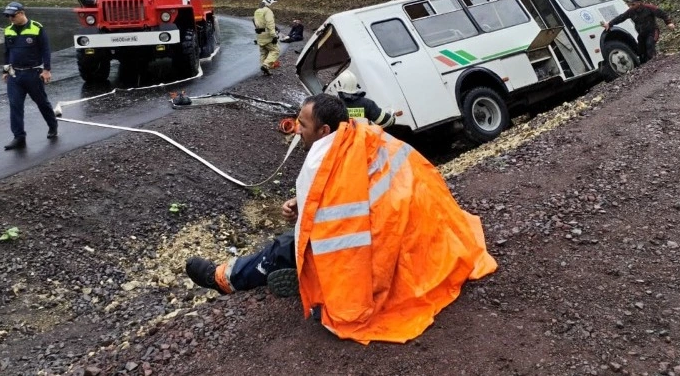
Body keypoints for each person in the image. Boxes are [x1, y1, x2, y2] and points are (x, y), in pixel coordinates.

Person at [186, 93, 497, 344]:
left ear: (324, 131)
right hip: (428, 228)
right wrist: (305, 202)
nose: (297, 129)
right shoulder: (363, 136)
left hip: (388, 240)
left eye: (303, 125)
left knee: (288, 245)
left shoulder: (325, 162)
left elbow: (334, 230)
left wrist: (306, 217)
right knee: (294, 243)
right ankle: (282, 271)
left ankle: (226, 278)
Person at [1, 2, 59, 150]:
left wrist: (47, 70)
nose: (10, 18)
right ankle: (19, 137)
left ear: (21, 13)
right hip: (15, 75)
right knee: (15, 105)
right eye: (8, 16)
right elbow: (7, 52)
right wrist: (5, 70)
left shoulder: (36, 28)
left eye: (12, 15)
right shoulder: (8, 30)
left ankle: (53, 126)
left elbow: (45, 49)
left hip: (33, 73)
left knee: (42, 103)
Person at [602, 0, 675, 64]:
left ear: (639, 3)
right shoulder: (630, 11)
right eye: (629, 4)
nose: (630, 6)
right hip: (642, 33)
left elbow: (662, 13)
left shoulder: (649, 8)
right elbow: (621, 18)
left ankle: (655, 62)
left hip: (653, 31)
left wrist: (668, 23)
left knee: (650, 44)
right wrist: (609, 24)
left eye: (633, 4)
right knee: (641, 50)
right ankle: (645, 65)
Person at [329, 69, 399, 128]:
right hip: (363, 142)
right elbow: (386, 122)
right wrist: (391, 116)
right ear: (356, 85)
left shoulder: (332, 106)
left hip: (342, 143)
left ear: (338, 85)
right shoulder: (367, 104)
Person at [253, 0, 280, 75]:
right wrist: (274, 35)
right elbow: (270, 24)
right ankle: (266, 65)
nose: (273, 4)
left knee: (263, 52)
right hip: (267, 34)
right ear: (270, 1)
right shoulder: (268, 11)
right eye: (273, 2)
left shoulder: (257, 10)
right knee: (275, 50)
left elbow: (256, 22)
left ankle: (265, 70)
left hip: (259, 34)